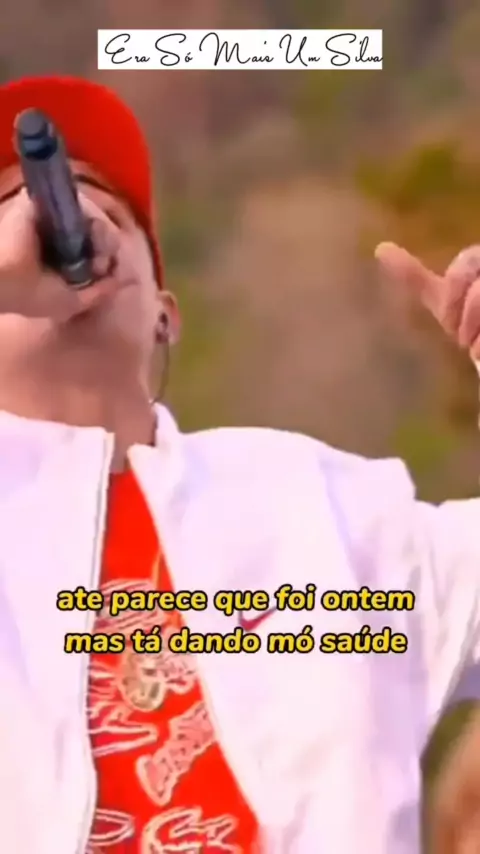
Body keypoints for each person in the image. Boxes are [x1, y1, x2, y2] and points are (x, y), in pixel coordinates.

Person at [0, 75, 479, 854]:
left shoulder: (325, 516)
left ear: (165, 315)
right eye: (11, 211)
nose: (71, 220)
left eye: (110, 210)